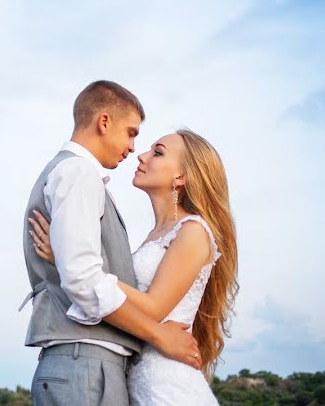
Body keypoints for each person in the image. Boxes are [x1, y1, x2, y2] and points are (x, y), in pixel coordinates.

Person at [20, 81, 201, 406]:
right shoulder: (78, 173)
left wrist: (63, 261)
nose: (135, 148)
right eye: (131, 133)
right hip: (86, 364)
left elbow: (81, 274)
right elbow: (85, 280)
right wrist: (159, 335)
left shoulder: (73, 174)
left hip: (91, 364)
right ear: (104, 122)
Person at [30, 127, 239, 405]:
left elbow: (153, 308)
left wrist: (68, 262)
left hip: (169, 386)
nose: (141, 155)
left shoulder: (193, 231)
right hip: (137, 380)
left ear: (181, 177)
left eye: (157, 153)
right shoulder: (155, 236)